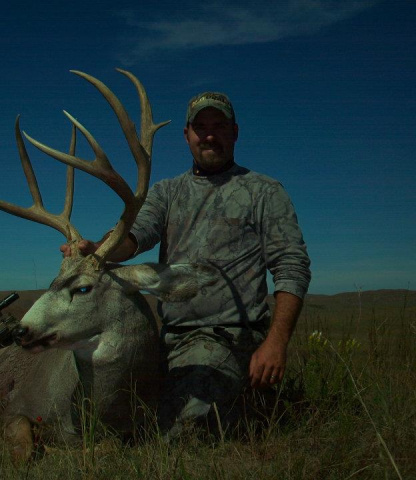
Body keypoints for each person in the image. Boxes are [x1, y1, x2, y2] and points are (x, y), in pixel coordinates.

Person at [61, 91, 311, 438]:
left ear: (234, 132)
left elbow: (292, 266)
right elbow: (134, 237)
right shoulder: (167, 192)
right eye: (200, 127)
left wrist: (275, 343)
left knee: (178, 431)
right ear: (187, 135)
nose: (209, 135)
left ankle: (243, 411)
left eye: (219, 126)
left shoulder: (264, 192)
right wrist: (96, 248)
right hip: (167, 340)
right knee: (109, 412)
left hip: (227, 338)